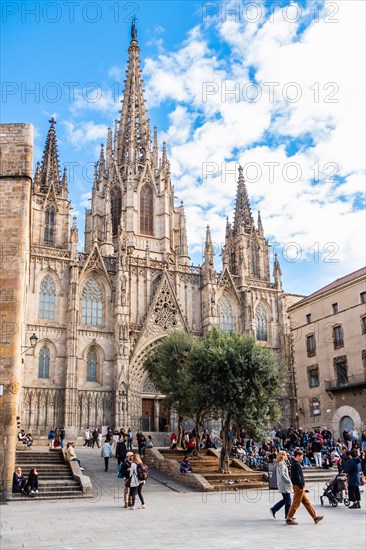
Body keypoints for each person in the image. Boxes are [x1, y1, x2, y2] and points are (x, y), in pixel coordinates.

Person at [286, 450, 324, 525]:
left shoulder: (295, 464)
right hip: (298, 487)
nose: (302, 458)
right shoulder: (296, 464)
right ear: (298, 456)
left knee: (307, 503)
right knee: (295, 503)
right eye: (302, 456)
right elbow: (297, 477)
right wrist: (300, 485)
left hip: (299, 486)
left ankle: (315, 517)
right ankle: (289, 518)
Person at [270, 451, 293, 520]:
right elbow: (283, 475)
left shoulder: (280, 464)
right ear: (283, 456)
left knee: (286, 500)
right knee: (288, 500)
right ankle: (287, 515)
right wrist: (289, 481)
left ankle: (275, 509)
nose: (287, 456)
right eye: (286, 455)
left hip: (282, 484)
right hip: (284, 484)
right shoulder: (281, 464)